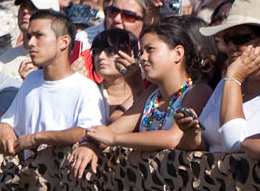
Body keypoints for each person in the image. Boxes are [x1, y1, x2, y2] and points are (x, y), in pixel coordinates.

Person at [68, 17, 213, 177]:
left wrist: (115, 139)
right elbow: (111, 130)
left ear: (177, 53)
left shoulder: (198, 91)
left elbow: (172, 138)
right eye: (141, 52)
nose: (142, 57)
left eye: (150, 49)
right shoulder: (151, 93)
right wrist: (89, 144)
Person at [180, 0, 260, 153]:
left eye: (240, 39)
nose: (230, 46)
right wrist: (191, 134)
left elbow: (233, 145)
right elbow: (206, 142)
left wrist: (234, 79)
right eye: (226, 39)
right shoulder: (229, 81)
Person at [0, 9, 107, 154]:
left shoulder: (86, 88)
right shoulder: (31, 80)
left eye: (39, 35)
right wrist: (3, 127)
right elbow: (10, 121)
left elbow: (88, 131)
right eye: (29, 36)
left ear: (63, 42)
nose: (31, 43)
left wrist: (39, 138)